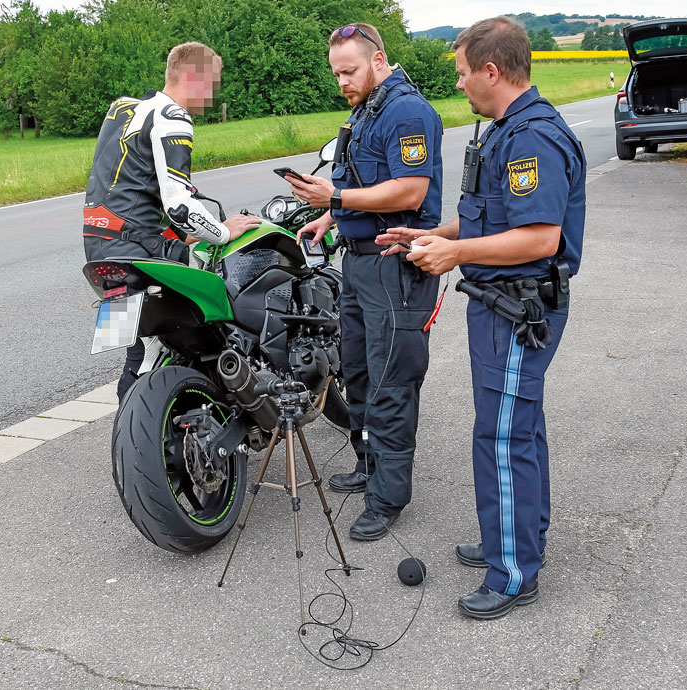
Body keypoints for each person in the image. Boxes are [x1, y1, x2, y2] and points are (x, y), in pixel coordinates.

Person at [377, 17, 585, 618]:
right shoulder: (505, 130)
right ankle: (515, 537)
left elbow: (540, 238)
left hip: (519, 310)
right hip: (499, 306)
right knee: (517, 428)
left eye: (464, 72)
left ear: (492, 71)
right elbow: (488, 217)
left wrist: (455, 254)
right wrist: (435, 236)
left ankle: (513, 572)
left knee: (503, 436)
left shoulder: (533, 138)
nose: (459, 82)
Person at [287, 23, 443, 541]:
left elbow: (410, 190)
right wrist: (329, 217)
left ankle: (388, 497)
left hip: (394, 266)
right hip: (357, 262)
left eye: (349, 71)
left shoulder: (407, 111)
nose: (342, 82)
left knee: (390, 381)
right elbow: (361, 180)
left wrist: (334, 198)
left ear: (378, 61)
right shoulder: (366, 109)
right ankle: (368, 463)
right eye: (336, 73)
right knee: (355, 370)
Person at [82, 42, 261, 400]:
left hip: (102, 251)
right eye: (212, 84)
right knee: (215, 329)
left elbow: (133, 187)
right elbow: (179, 205)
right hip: (139, 252)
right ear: (194, 77)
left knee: (140, 353)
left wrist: (181, 236)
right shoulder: (173, 115)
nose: (213, 95)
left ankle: (136, 424)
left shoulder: (123, 108)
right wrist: (223, 231)